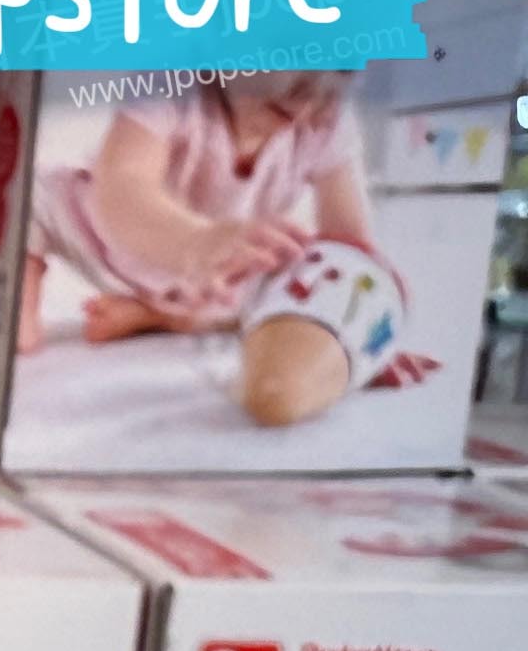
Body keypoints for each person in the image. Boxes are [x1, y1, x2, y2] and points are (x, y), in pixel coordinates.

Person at [22, 73, 423, 426]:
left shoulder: (327, 122)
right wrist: (196, 242)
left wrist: (360, 337)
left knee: (289, 278)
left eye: (342, 69)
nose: (312, 89)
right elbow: (123, 185)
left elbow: (352, 249)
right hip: (105, 238)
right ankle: (21, 298)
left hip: (219, 282)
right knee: (24, 197)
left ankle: (162, 314)